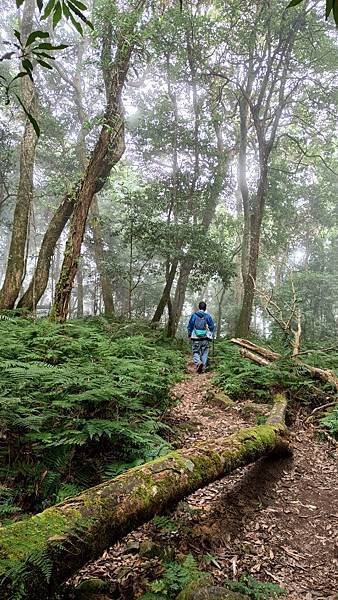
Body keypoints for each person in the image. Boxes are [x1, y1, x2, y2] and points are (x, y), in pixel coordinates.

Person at [187, 301, 215, 373]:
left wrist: (189, 334)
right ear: (205, 308)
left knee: (195, 351)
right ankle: (203, 368)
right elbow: (212, 326)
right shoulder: (207, 316)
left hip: (195, 337)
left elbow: (190, 326)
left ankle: (198, 363)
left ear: (199, 307)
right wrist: (211, 333)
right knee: (205, 352)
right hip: (205, 337)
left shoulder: (194, 315)